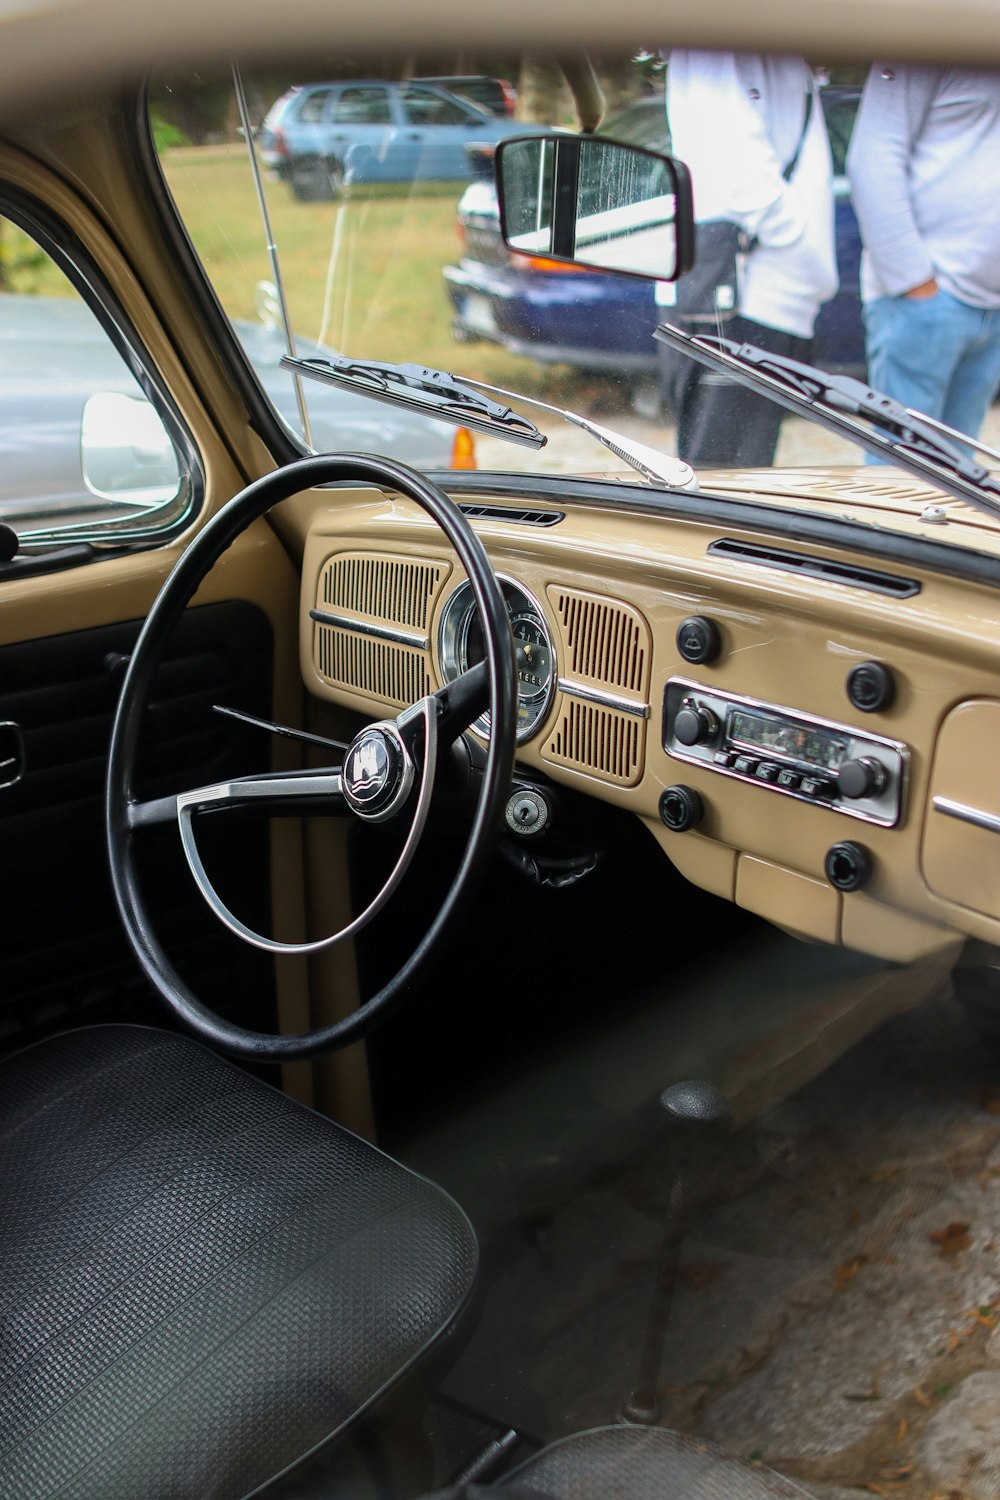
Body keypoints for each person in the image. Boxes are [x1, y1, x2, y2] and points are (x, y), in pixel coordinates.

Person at [658, 51, 838, 467]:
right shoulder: (715, 44)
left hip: (754, 295)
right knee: (725, 487)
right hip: (743, 299)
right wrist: (804, 252)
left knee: (735, 481)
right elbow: (742, 182)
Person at [847, 65, 1000, 449]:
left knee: (960, 476)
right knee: (901, 475)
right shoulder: (926, 35)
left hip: (990, 303)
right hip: (925, 299)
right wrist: (914, 282)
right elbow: (873, 158)